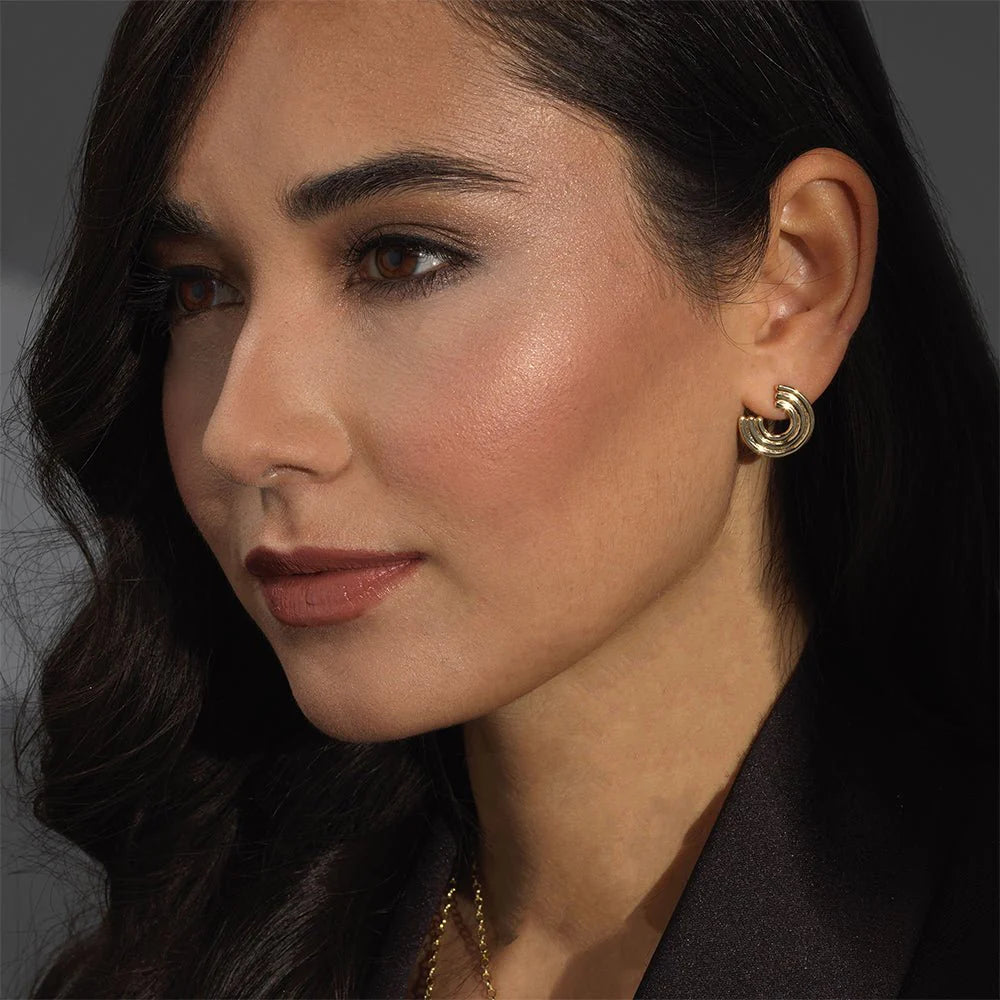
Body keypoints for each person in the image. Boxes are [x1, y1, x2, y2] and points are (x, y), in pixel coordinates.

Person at [8, 1, 997, 997]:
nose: (240, 433)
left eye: (400, 258)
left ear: (795, 284)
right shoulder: (193, 947)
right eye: (198, 289)